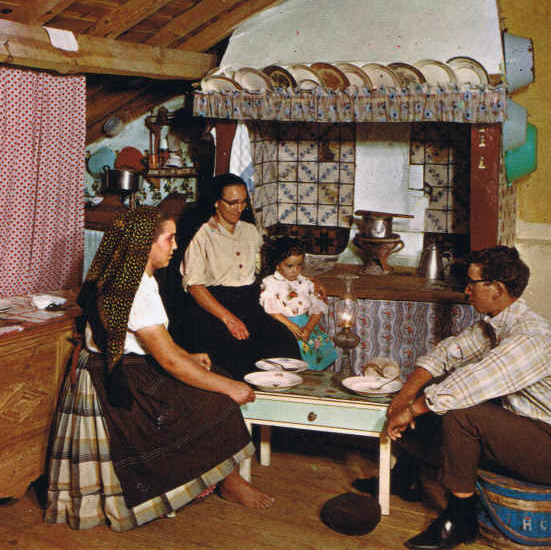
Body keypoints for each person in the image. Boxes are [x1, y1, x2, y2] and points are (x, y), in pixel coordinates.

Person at [44, 206, 273, 532]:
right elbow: (167, 360)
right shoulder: (136, 288)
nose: (175, 246)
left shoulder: (126, 273)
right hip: (119, 378)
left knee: (217, 377)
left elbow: (156, 344)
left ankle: (227, 479)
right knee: (219, 402)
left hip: (121, 366)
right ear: (145, 244)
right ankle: (227, 483)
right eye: (169, 239)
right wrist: (228, 388)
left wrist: (188, 356)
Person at [363, 246, 551, 550]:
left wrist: (411, 411)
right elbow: (446, 353)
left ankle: (460, 519)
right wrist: (406, 395)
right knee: (438, 394)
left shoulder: (531, 337)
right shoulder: (496, 324)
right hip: (529, 430)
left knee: (461, 411)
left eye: (472, 283)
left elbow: (468, 385)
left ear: (497, 289)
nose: (466, 291)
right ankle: (404, 478)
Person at [180, 173, 322, 378]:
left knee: (284, 343)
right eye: (232, 203)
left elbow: (276, 264)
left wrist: (311, 281)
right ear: (217, 203)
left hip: (250, 303)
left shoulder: (249, 231)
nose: (239, 208)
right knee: (239, 353)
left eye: (243, 202)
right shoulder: (201, 234)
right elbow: (195, 287)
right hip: (214, 307)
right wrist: (229, 320)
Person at [259, 236, 337, 370]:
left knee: (312, 357)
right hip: (283, 326)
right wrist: (290, 325)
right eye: (289, 266)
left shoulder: (306, 282)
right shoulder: (270, 283)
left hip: (306, 327)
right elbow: (272, 310)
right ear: (278, 264)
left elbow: (317, 309)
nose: (295, 270)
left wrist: (308, 328)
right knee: (290, 360)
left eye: (299, 265)